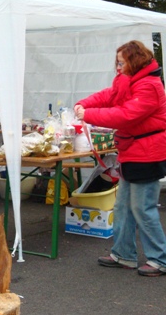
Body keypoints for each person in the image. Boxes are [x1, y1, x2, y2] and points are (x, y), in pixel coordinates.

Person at [74, 40, 166, 277]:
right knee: (123, 206)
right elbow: (110, 96)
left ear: (134, 62)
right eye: (117, 62)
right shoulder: (130, 82)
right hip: (132, 153)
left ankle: (159, 259)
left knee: (143, 208)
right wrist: (85, 103)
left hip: (148, 154)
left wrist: (89, 113)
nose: (118, 66)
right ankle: (124, 254)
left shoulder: (148, 86)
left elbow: (126, 115)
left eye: (122, 62)